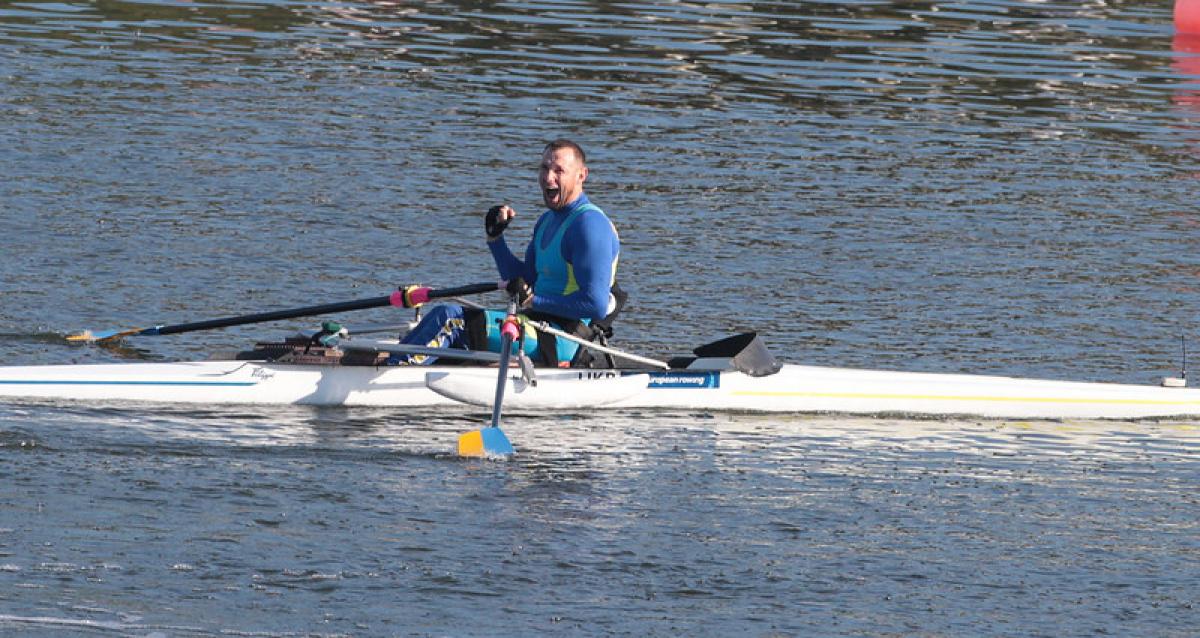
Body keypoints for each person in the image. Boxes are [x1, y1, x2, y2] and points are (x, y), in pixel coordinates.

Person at [394, 139, 622, 366]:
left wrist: (534, 300)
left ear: (581, 175)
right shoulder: (546, 221)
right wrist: (496, 239)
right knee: (442, 321)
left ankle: (393, 369)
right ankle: (392, 362)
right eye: (544, 168)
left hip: (561, 337)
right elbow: (523, 281)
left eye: (559, 171)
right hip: (531, 323)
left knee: (450, 319)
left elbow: (595, 304)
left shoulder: (590, 225)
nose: (548, 177)